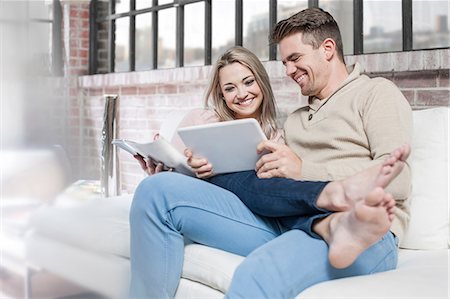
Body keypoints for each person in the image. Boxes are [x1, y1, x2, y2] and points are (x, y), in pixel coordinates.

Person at [129, 9, 412, 299]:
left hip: (364, 230)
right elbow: (275, 188)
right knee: (157, 191)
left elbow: (397, 182)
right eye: (285, 62)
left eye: (295, 59)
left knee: (257, 274)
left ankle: (335, 203)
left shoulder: (375, 93)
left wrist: (304, 170)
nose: (288, 71)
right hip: (295, 221)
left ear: (327, 49)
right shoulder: (295, 121)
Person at [133, 46, 283, 176]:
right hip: (191, 195)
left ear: (262, 82)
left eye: (249, 82)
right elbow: (171, 172)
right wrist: (158, 173)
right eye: (230, 88)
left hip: (236, 205)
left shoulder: (276, 138)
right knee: (151, 186)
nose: (242, 94)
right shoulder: (199, 120)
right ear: (222, 95)